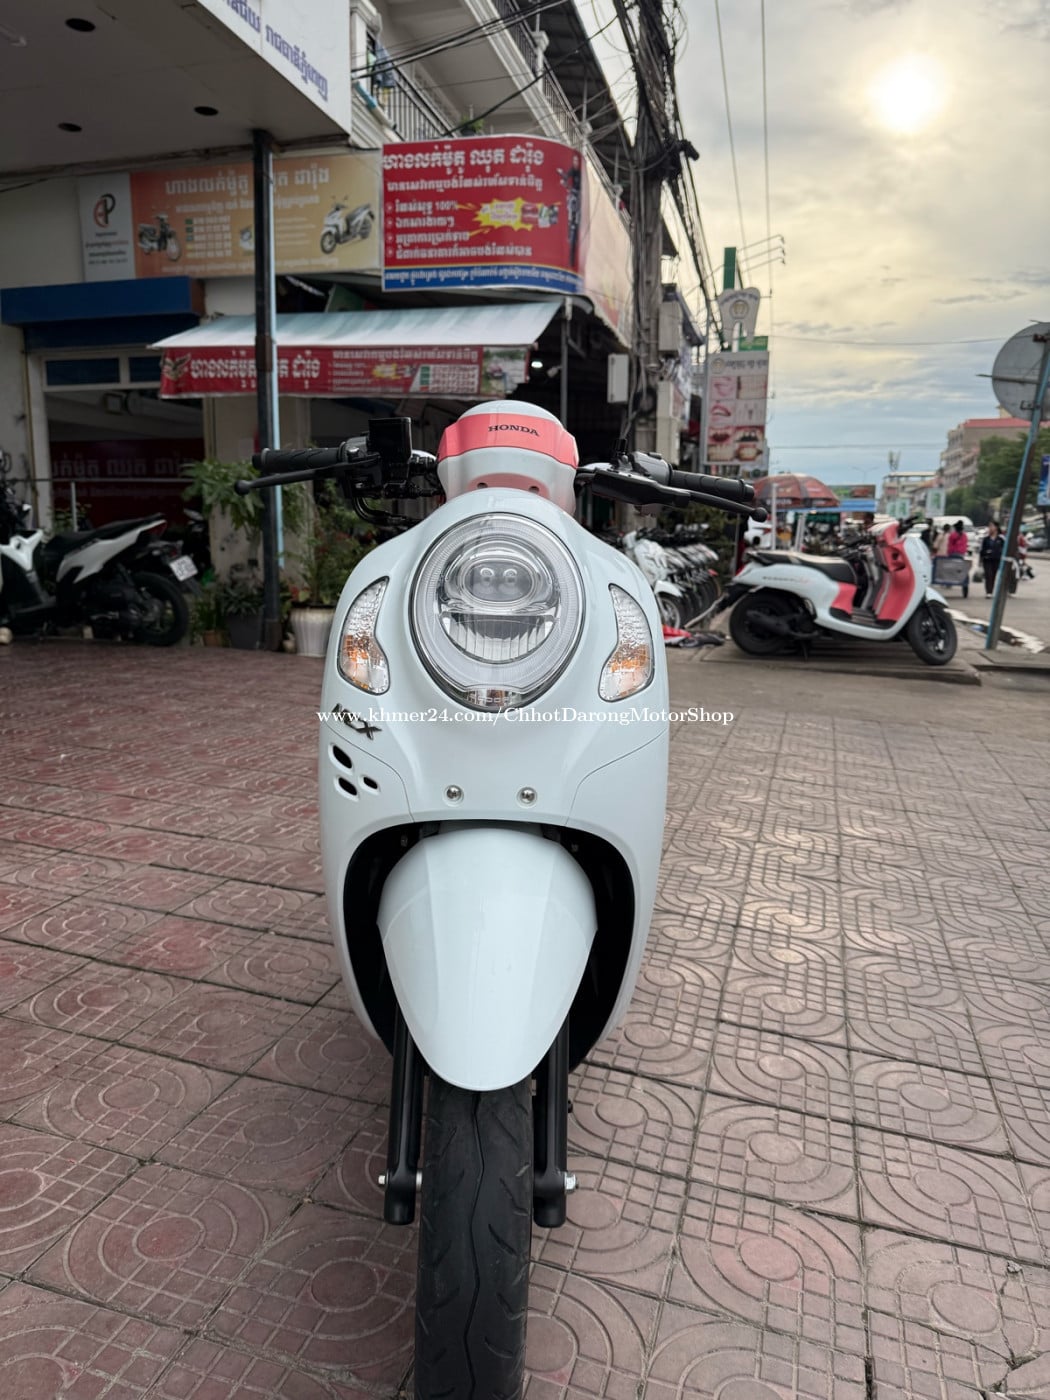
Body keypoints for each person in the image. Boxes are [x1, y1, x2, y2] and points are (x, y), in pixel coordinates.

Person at [979, 521, 1004, 597]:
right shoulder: (986, 539)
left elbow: (1003, 550)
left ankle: (991, 590)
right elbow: (982, 550)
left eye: (992, 526)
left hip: (996, 559)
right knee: (988, 575)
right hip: (987, 560)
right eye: (989, 526)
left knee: (993, 575)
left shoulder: (1000, 539)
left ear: (996, 527)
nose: (990, 528)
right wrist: (982, 558)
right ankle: (988, 591)